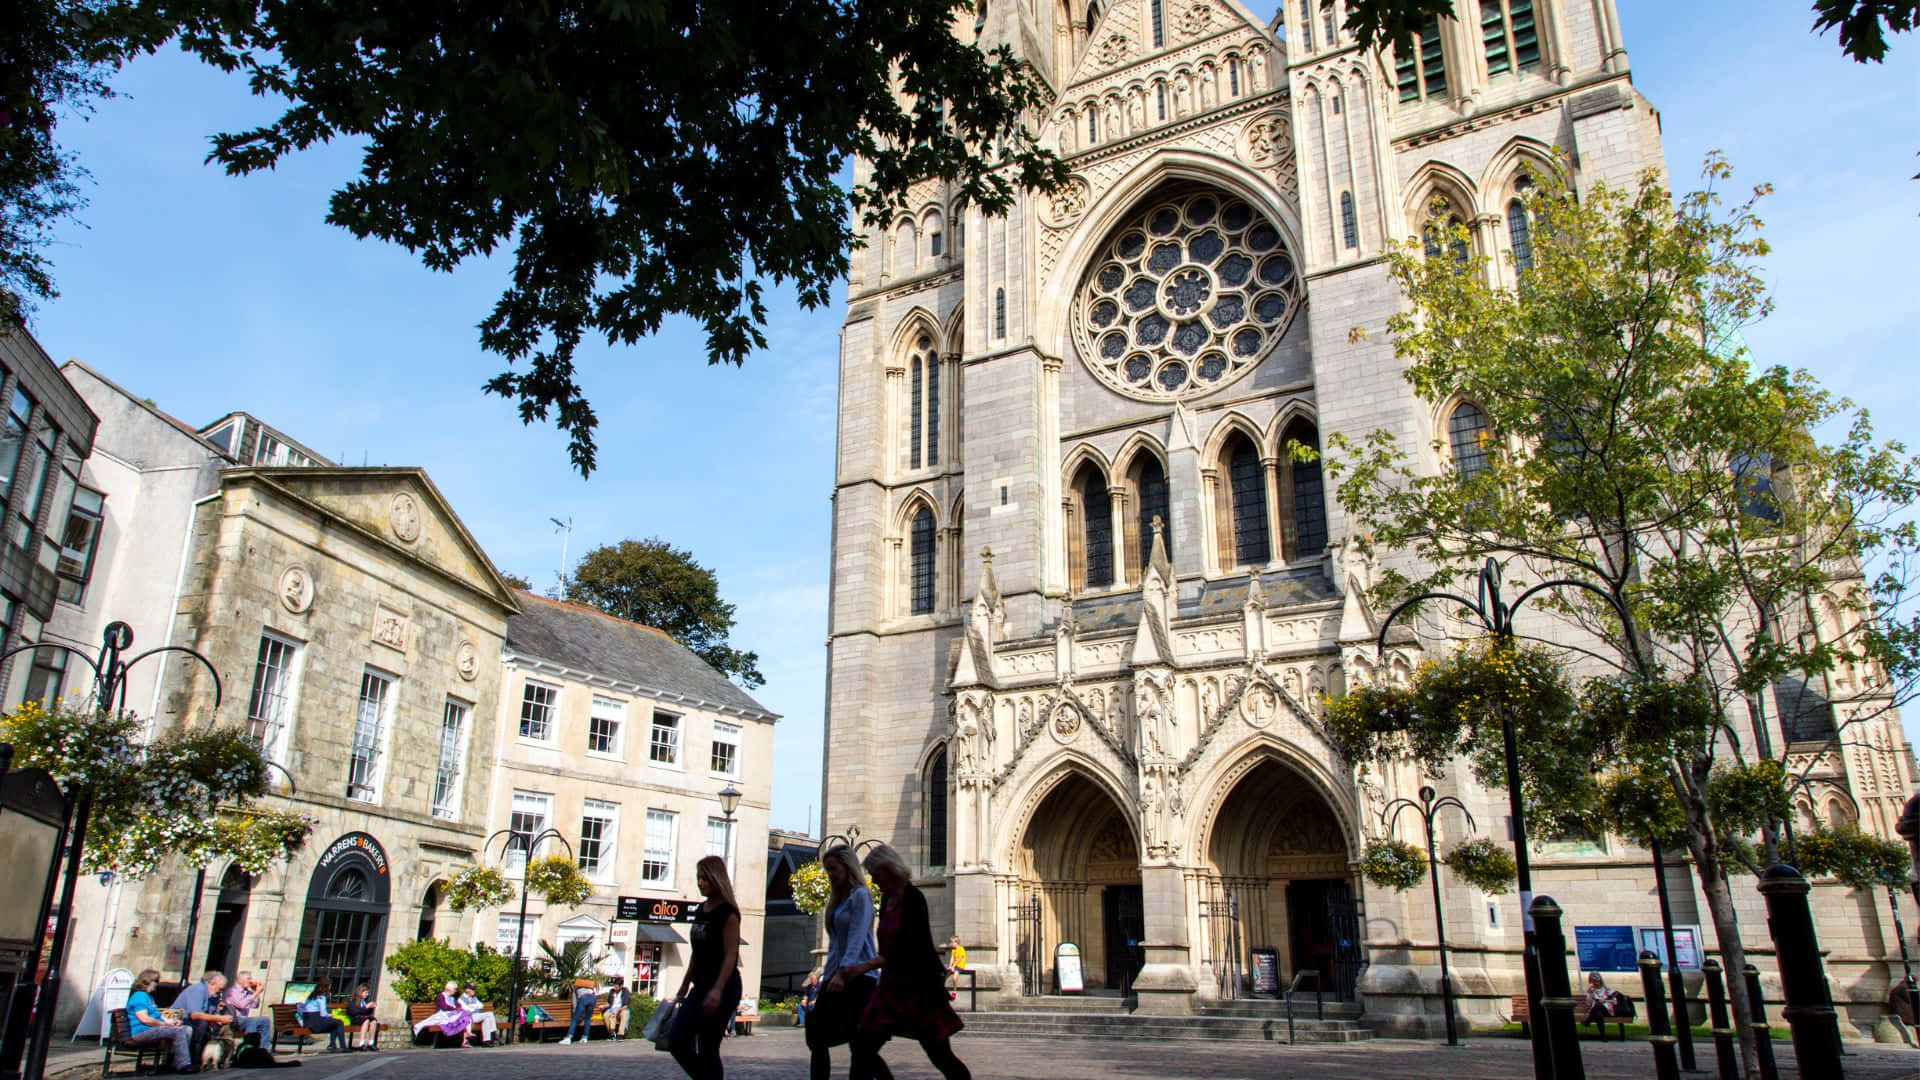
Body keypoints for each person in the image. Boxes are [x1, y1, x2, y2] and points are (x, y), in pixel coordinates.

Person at [851, 843, 970, 1080]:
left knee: (941, 1055)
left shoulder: (914, 898)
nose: (873, 881)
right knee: (862, 1045)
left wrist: (866, 965)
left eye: (876, 874)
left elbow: (912, 948)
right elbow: (887, 946)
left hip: (917, 990)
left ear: (889, 869)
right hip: (891, 987)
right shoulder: (886, 900)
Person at [809, 844, 887, 1080]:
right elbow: (835, 945)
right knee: (816, 1038)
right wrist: (828, 975)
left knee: (860, 1045)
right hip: (836, 976)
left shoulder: (861, 896)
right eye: (827, 870)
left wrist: (843, 974)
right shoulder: (837, 901)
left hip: (858, 978)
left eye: (833, 869)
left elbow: (856, 939)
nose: (830, 875)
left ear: (847, 867)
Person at [669, 855, 743, 1079]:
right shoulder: (701, 910)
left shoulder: (728, 913)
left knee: (708, 1045)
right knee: (677, 1040)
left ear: (716, 879)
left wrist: (718, 990)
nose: (700, 882)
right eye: (698, 878)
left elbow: (731, 955)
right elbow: (696, 951)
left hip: (724, 986)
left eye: (704, 878)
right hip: (700, 985)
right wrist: (684, 984)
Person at [123, 968, 197, 1074]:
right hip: (141, 1031)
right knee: (178, 1031)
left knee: (187, 1029)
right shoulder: (139, 996)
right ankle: (183, 1065)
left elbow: (158, 1016)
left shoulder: (149, 997)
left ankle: (172, 1062)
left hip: (152, 1028)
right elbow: (144, 1019)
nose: (157, 984)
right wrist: (165, 1024)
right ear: (148, 981)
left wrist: (172, 1022)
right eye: (156, 981)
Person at [173, 969, 234, 1064]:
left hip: (197, 1023)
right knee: (202, 1023)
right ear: (212, 983)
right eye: (220, 989)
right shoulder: (198, 990)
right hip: (181, 1020)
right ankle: (193, 1059)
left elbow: (213, 1013)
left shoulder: (214, 996)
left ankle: (216, 1058)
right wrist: (219, 1018)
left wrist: (220, 1019)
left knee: (219, 1027)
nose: (220, 992)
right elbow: (195, 1015)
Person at [297, 978, 349, 1052]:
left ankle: (332, 1045)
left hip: (307, 1022)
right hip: (316, 1024)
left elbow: (300, 1008)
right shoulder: (321, 997)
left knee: (333, 1024)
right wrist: (330, 1015)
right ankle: (343, 1046)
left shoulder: (309, 996)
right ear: (327, 987)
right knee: (339, 1022)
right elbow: (323, 1013)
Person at [223, 970, 273, 1046]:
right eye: (248, 979)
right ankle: (248, 1046)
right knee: (253, 1021)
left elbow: (255, 1005)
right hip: (234, 1019)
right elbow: (241, 1004)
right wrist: (257, 993)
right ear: (239, 980)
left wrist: (254, 992)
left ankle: (263, 1048)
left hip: (244, 1019)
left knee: (265, 1020)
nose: (250, 981)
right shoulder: (232, 991)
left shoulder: (247, 992)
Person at [560, 977, 598, 1044]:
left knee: (575, 1019)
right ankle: (585, 1037)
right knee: (588, 1019)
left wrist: (575, 1012)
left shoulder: (575, 987)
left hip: (584, 998)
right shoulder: (589, 986)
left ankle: (569, 1037)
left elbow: (574, 1001)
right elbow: (595, 994)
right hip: (593, 998)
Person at [344, 984, 379, 1050]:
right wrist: (366, 1007)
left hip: (361, 1018)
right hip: (354, 1018)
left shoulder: (363, 1001)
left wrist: (371, 1008)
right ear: (361, 992)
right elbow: (354, 1012)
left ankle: (371, 1043)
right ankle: (361, 1043)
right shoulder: (353, 1000)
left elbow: (365, 1012)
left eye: (368, 993)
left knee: (373, 1021)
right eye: (366, 992)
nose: (367, 994)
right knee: (366, 1021)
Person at [945, 936, 967, 1001]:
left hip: (959, 966)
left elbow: (959, 959)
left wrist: (953, 966)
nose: (951, 944)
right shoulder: (953, 950)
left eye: (952, 942)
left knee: (954, 977)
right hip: (954, 965)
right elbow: (952, 958)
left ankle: (954, 992)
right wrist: (950, 966)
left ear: (956, 943)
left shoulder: (961, 949)